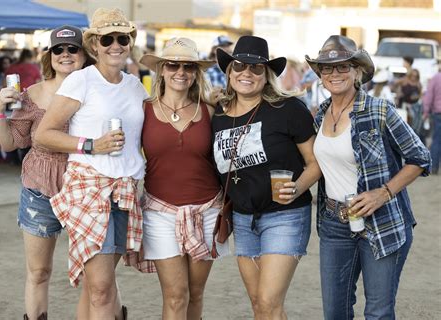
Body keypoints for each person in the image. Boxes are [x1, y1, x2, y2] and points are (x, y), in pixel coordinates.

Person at [306, 35, 431, 320]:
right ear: (320, 75)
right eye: (327, 68)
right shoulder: (319, 117)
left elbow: (421, 158)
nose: (334, 74)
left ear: (357, 71)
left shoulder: (379, 110)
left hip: (383, 221)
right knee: (335, 312)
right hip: (335, 224)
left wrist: (383, 192)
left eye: (343, 66)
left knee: (378, 312)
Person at [35, 8, 147, 320]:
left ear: (129, 43)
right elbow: (44, 134)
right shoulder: (80, 81)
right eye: (107, 39)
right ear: (94, 45)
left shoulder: (136, 86)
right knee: (100, 287)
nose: (115, 45)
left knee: (98, 285)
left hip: (125, 192)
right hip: (89, 189)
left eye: (122, 38)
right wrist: (92, 145)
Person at [212, 35, 321, 319]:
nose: (246, 73)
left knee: (268, 302)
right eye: (239, 66)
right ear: (229, 71)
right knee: (261, 304)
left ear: (267, 75)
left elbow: (316, 162)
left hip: (285, 216)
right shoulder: (218, 116)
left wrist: (297, 188)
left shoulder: (288, 110)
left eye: (256, 68)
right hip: (244, 219)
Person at [0, 25, 90, 320]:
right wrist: (0, 109)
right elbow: (10, 143)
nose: (65, 54)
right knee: (39, 272)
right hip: (39, 189)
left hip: (86, 186)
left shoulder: (97, 92)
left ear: (85, 54)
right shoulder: (32, 94)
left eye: (72, 48)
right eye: (58, 49)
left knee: (95, 276)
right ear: (50, 56)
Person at [138, 37, 229, 320]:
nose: (181, 72)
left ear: (195, 72)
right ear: (162, 70)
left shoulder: (210, 111)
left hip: (208, 211)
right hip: (160, 213)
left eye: (188, 66)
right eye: (173, 65)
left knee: (195, 293)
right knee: (176, 296)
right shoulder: (142, 110)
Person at [423, 64, 441, 174]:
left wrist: (426, 112)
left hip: (438, 113)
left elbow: (429, 96)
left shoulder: (435, 78)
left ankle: (434, 167)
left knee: (437, 140)